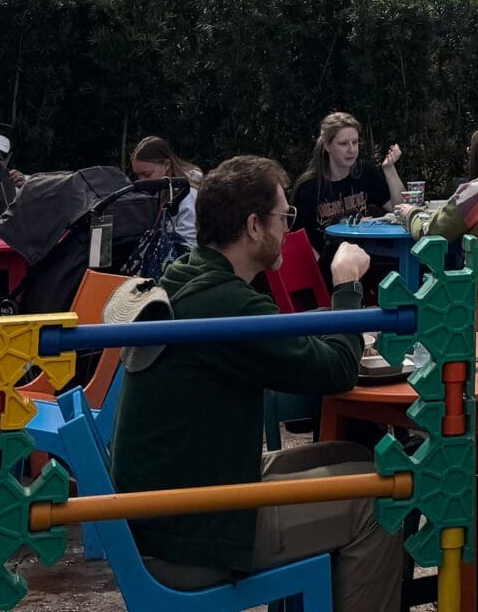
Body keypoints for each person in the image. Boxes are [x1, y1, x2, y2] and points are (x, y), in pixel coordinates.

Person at [113, 157, 400, 612]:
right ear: (252, 226)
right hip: (192, 537)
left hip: (176, 502)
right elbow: (335, 371)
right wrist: (346, 288)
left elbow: (280, 339)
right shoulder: (224, 302)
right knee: (384, 498)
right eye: (284, 217)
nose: (289, 227)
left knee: (353, 456)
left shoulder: (191, 276)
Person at [291, 113, 405, 268]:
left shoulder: (366, 172)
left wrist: (390, 170)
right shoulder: (308, 188)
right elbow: (299, 241)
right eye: (343, 144)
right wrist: (319, 274)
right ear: (327, 146)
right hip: (330, 266)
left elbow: (401, 210)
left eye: (355, 142)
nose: (351, 149)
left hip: (368, 257)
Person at [132, 134, 204, 262]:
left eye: (147, 174)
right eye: (138, 176)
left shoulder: (188, 197)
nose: (142, 181)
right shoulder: (159, 192)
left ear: (166, 165)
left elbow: (191, 246)